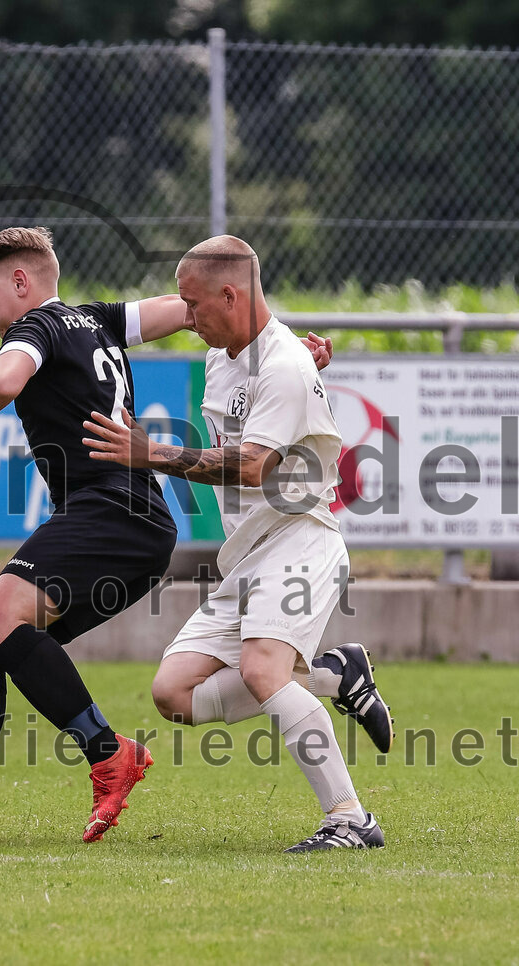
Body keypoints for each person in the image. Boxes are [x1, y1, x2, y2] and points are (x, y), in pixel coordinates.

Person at [0, 227, 334, 844]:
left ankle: (109, 753)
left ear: (21, 282)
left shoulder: (36, 327)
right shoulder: (96, 319)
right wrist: (288, 352)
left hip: (111, 510)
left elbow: (3, 382)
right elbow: (199, 307)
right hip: (135, 523)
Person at [83, 235, 393, 853]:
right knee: (174, 694)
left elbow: (252, 466)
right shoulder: (226, 358)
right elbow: (262, 412)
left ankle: (350, 820)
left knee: (261, 670)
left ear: (230, 295)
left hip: (299, 537)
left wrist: (154, 454)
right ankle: (334, 676)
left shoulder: (284, 365)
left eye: (194, 304)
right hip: (249, 554)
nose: (187, 317)